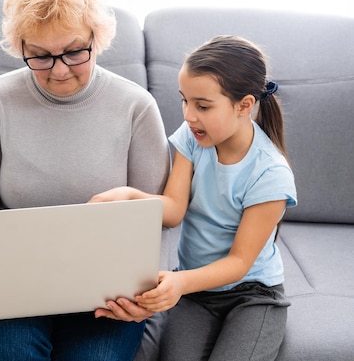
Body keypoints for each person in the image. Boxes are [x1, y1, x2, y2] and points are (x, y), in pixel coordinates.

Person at [0, 0, 170, 361]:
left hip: (109, 292)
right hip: (14, 284)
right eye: (41, 56)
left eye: (74, 51)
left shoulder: (136, 107)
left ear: (97, 40)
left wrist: (151, 289)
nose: (60, 69)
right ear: (21, 47)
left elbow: (157, 218)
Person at [91, 35, 297, 361]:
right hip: (197, 292)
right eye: (184, 101)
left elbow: (239, 263)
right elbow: (174, 210)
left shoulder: (270, 173)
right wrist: (130, 196)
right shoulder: (192, 137)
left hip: (253, 295)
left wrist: (179, 282)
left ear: (244, 105)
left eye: (202, 106)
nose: (188, 115)